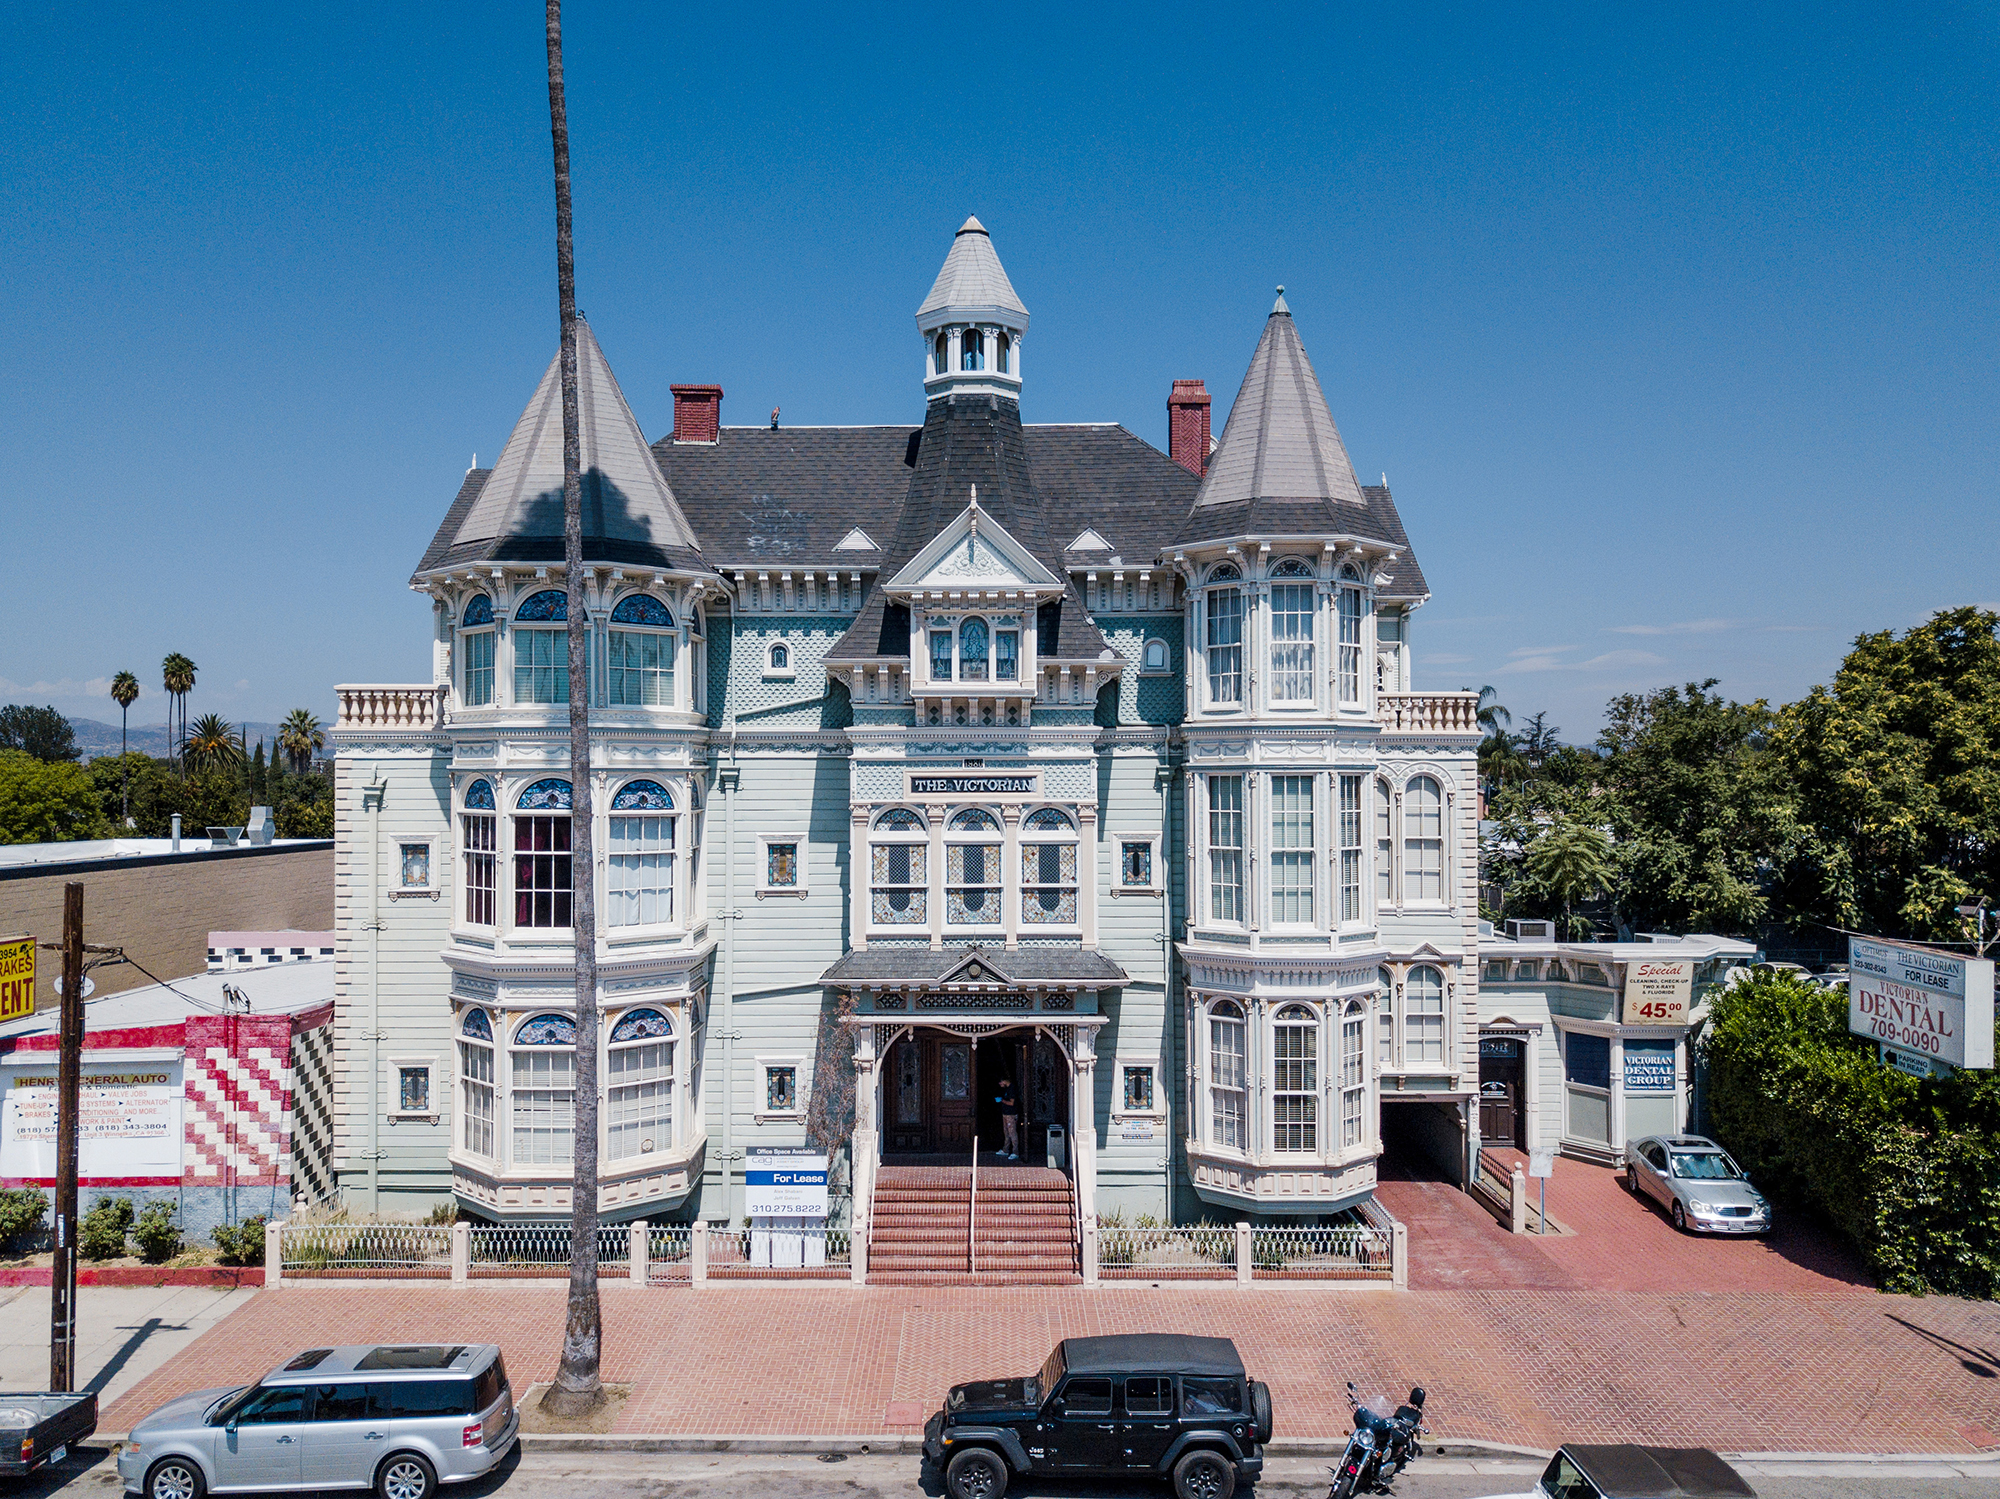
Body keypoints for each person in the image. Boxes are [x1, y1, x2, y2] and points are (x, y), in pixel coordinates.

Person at [996, 1078, 1020, 1160]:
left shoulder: (1012, 1089)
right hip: (1005, 1113)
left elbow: (1011, 1103)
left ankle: (1015, 1152)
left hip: (1011, 1114)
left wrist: (1002, 1100)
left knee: (1012, 1133)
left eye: (1000, 1082)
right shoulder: (1007, 1088)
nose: (1000, 1084)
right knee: (1006, 1132)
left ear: (1004, 1080)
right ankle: (1005, 1150)